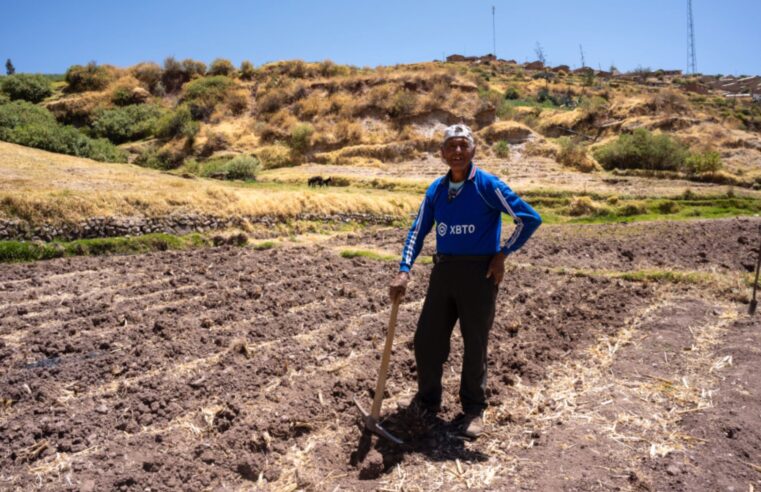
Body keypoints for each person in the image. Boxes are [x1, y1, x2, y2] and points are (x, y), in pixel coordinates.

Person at [388, 124, 541, 438]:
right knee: (426, 340)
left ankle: (473, 410)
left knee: (475, 344)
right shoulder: (436, 190)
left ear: (473, 150)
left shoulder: (487, 185)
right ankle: (427, 402)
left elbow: (529, 218)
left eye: (463, 146)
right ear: (442, 153)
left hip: (479, 274)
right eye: (451, 146)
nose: (457, 152)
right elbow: (418, 231)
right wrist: (404, 270)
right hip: (444, 272)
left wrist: (502, 253)